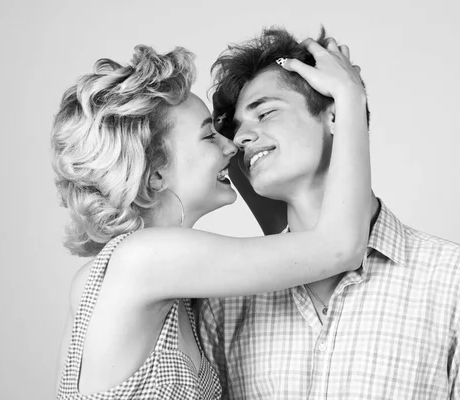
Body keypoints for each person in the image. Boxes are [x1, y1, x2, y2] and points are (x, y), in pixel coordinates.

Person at [198, 27, 460, 400]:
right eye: (236, 129)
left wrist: (351, 95)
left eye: (265, 113)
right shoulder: (227, 303)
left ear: (336, 114)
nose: (240, 139)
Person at [53, 42, 371, 399]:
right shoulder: (150, 258)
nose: (233, 146)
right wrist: (347, 101)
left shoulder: (128, 275)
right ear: (156, 176)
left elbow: (284, 242)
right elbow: (340, 248)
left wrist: (266, 161)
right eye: (209, 135)